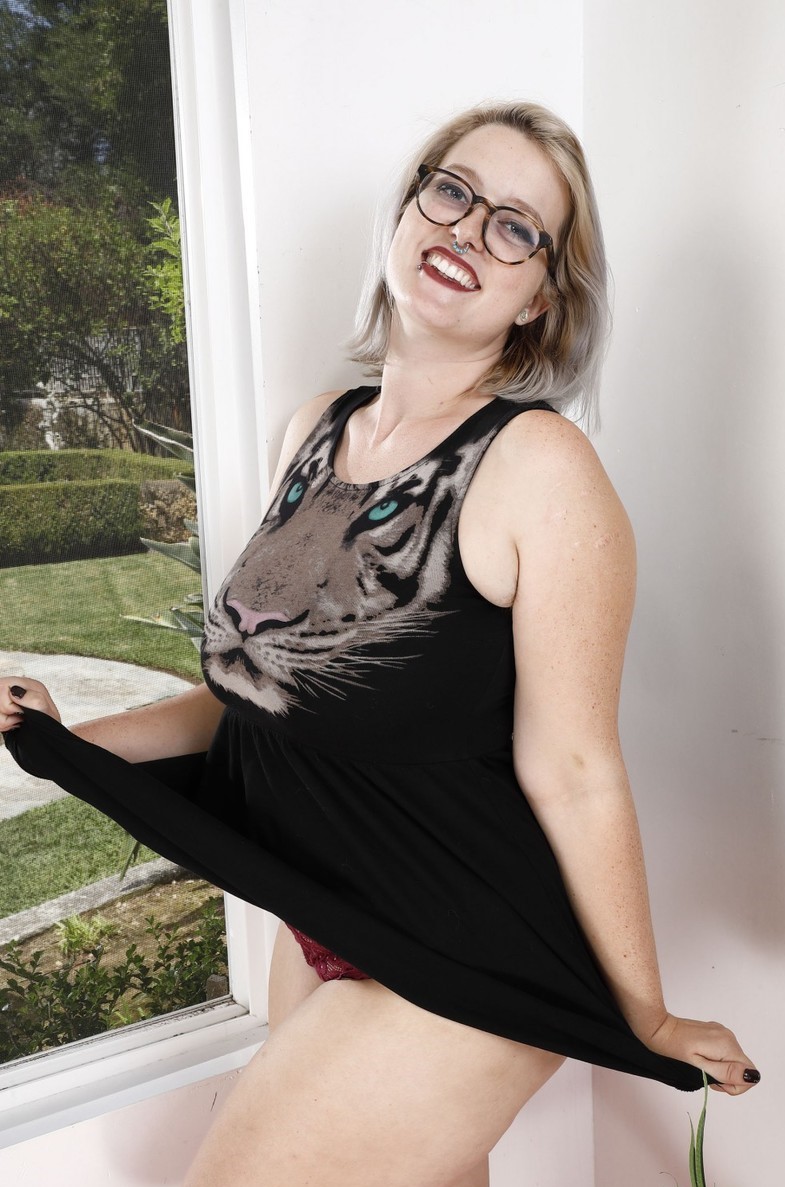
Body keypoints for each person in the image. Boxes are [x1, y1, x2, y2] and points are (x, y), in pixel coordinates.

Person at [1, 101, 758, 1187]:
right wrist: (66, 735)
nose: (467, 229)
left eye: (514, 226)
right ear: (407, 210)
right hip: (326, 913)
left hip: (471, 945)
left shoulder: (538, 467)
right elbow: (257, 699)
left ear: (540, 296)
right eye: (451, 192)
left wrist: (645, 1011)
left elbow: (575, 769)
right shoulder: (313, 428)